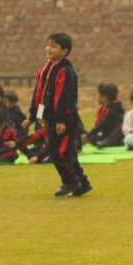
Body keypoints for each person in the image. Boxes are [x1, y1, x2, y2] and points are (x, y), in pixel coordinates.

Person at [23, 33, 92, 196]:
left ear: (64, 51)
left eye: (53, 46)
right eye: (47, 45)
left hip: (64, 118)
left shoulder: (65, 71)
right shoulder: (46, 69)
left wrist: (61, 120)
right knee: (67, 152)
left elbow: (64, 96)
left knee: (58, 151)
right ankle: (83, 183)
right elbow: (38, 93)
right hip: (50, 118)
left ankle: (70, 181)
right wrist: (33, 116)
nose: (48, 49)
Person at [85, 82, 125, 146]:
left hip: (115, 134)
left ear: (104, 97)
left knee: (118, 130)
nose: (97, 97)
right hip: (106, 133)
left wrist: (90, 134)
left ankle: (108, 142)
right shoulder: (104, 108)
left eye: (98, 95)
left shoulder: (114, 109)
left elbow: (104, 124)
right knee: (91, 137)